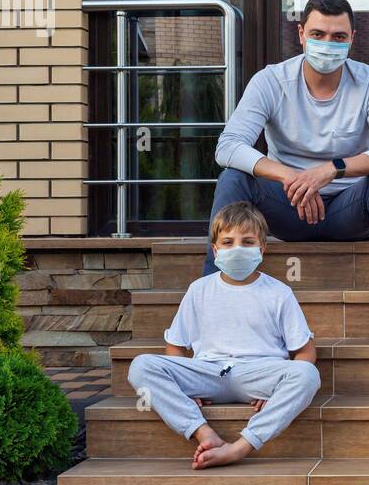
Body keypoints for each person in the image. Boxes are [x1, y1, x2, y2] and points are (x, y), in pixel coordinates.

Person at [209, 0, 369, 342]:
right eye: (318, 34)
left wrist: (329, 170)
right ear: (301, 34)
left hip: (348, 209)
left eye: (338, 37)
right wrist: (291, 176)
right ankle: (211, 295)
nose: (327, 44)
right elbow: (228, 147)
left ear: (352, 39)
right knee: (234, 177)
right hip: (286, 207)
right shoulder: (271, 80)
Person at [128, 201, 322, 469]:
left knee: (307, 376)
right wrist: (182, 389)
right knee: (140, 367)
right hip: (207, 372)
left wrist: (279, 389)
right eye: (228, 242)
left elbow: (305, 353)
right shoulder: (199, 290)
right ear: (215, 249)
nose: (237, 249)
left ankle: (240, 448)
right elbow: (175, 347)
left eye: (248, 241)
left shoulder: (279, 293)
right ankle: (204, 433)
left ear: (262, 248)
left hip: (258, 373)